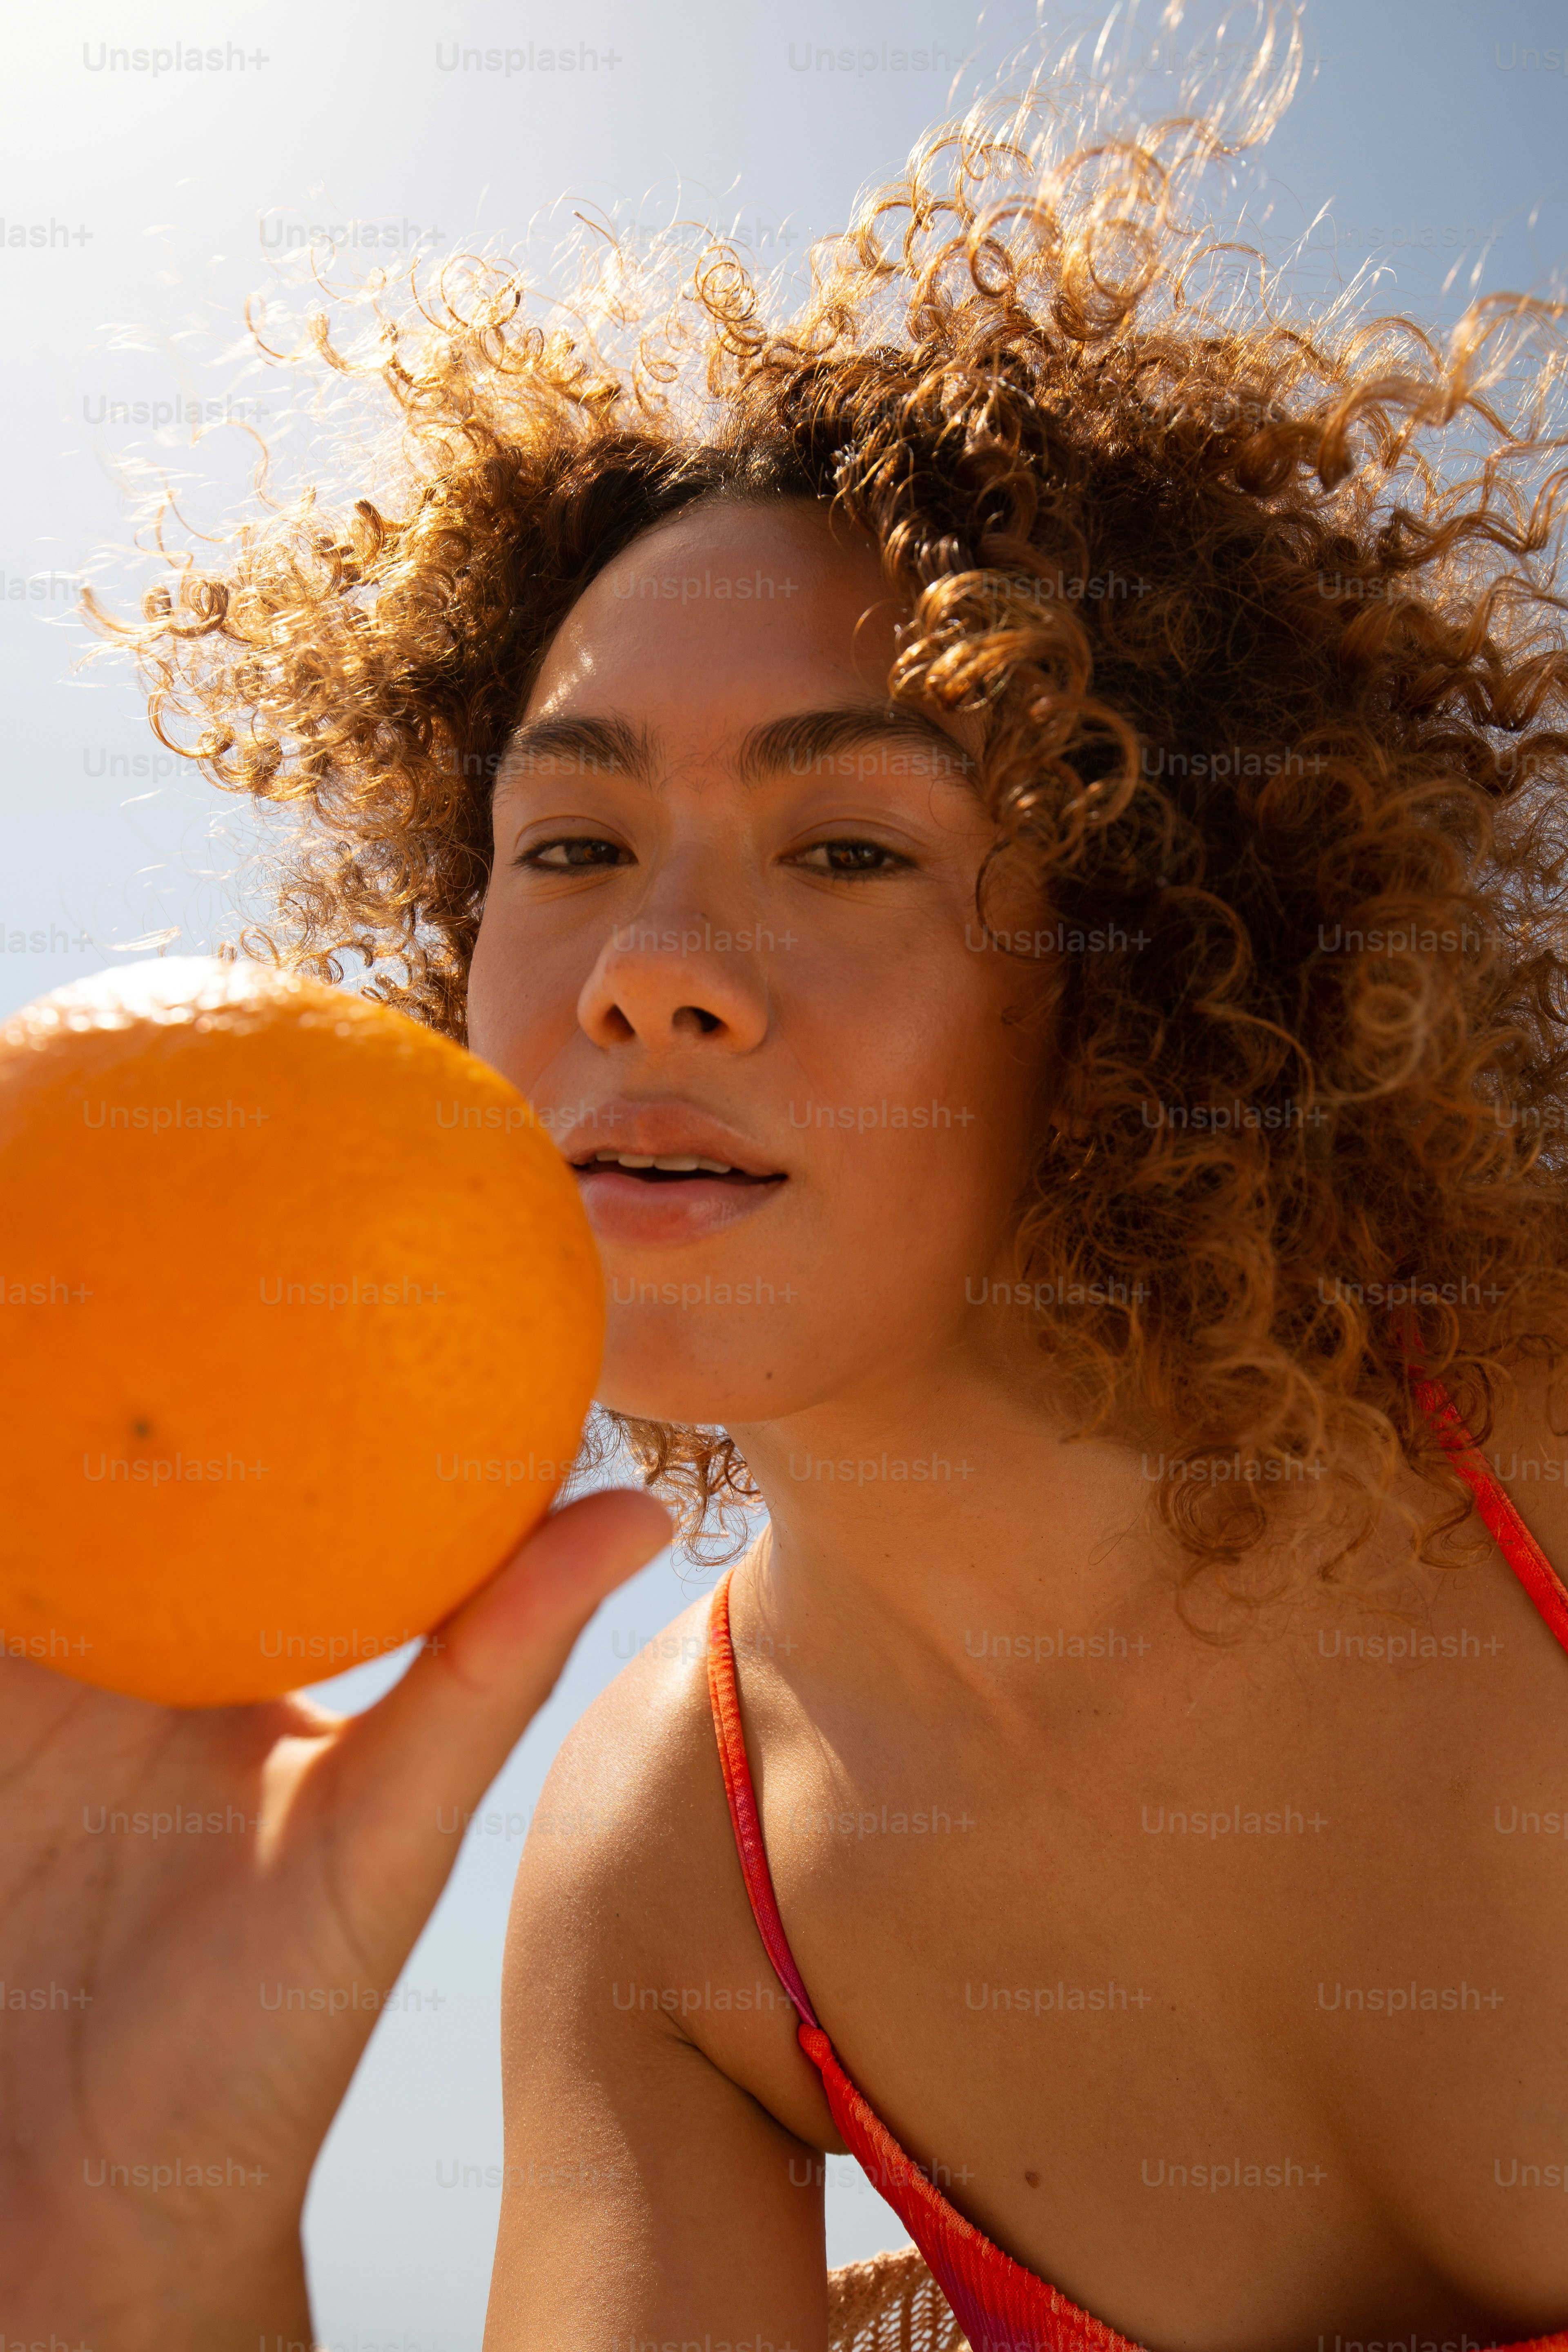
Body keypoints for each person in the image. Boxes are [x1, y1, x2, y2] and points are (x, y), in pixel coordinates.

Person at [10, 62, 1568, 2352]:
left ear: (1150, 948)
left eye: (848, 848)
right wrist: (139, 2253)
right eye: (568, 847)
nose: (646, 970)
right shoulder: (666, 1892)